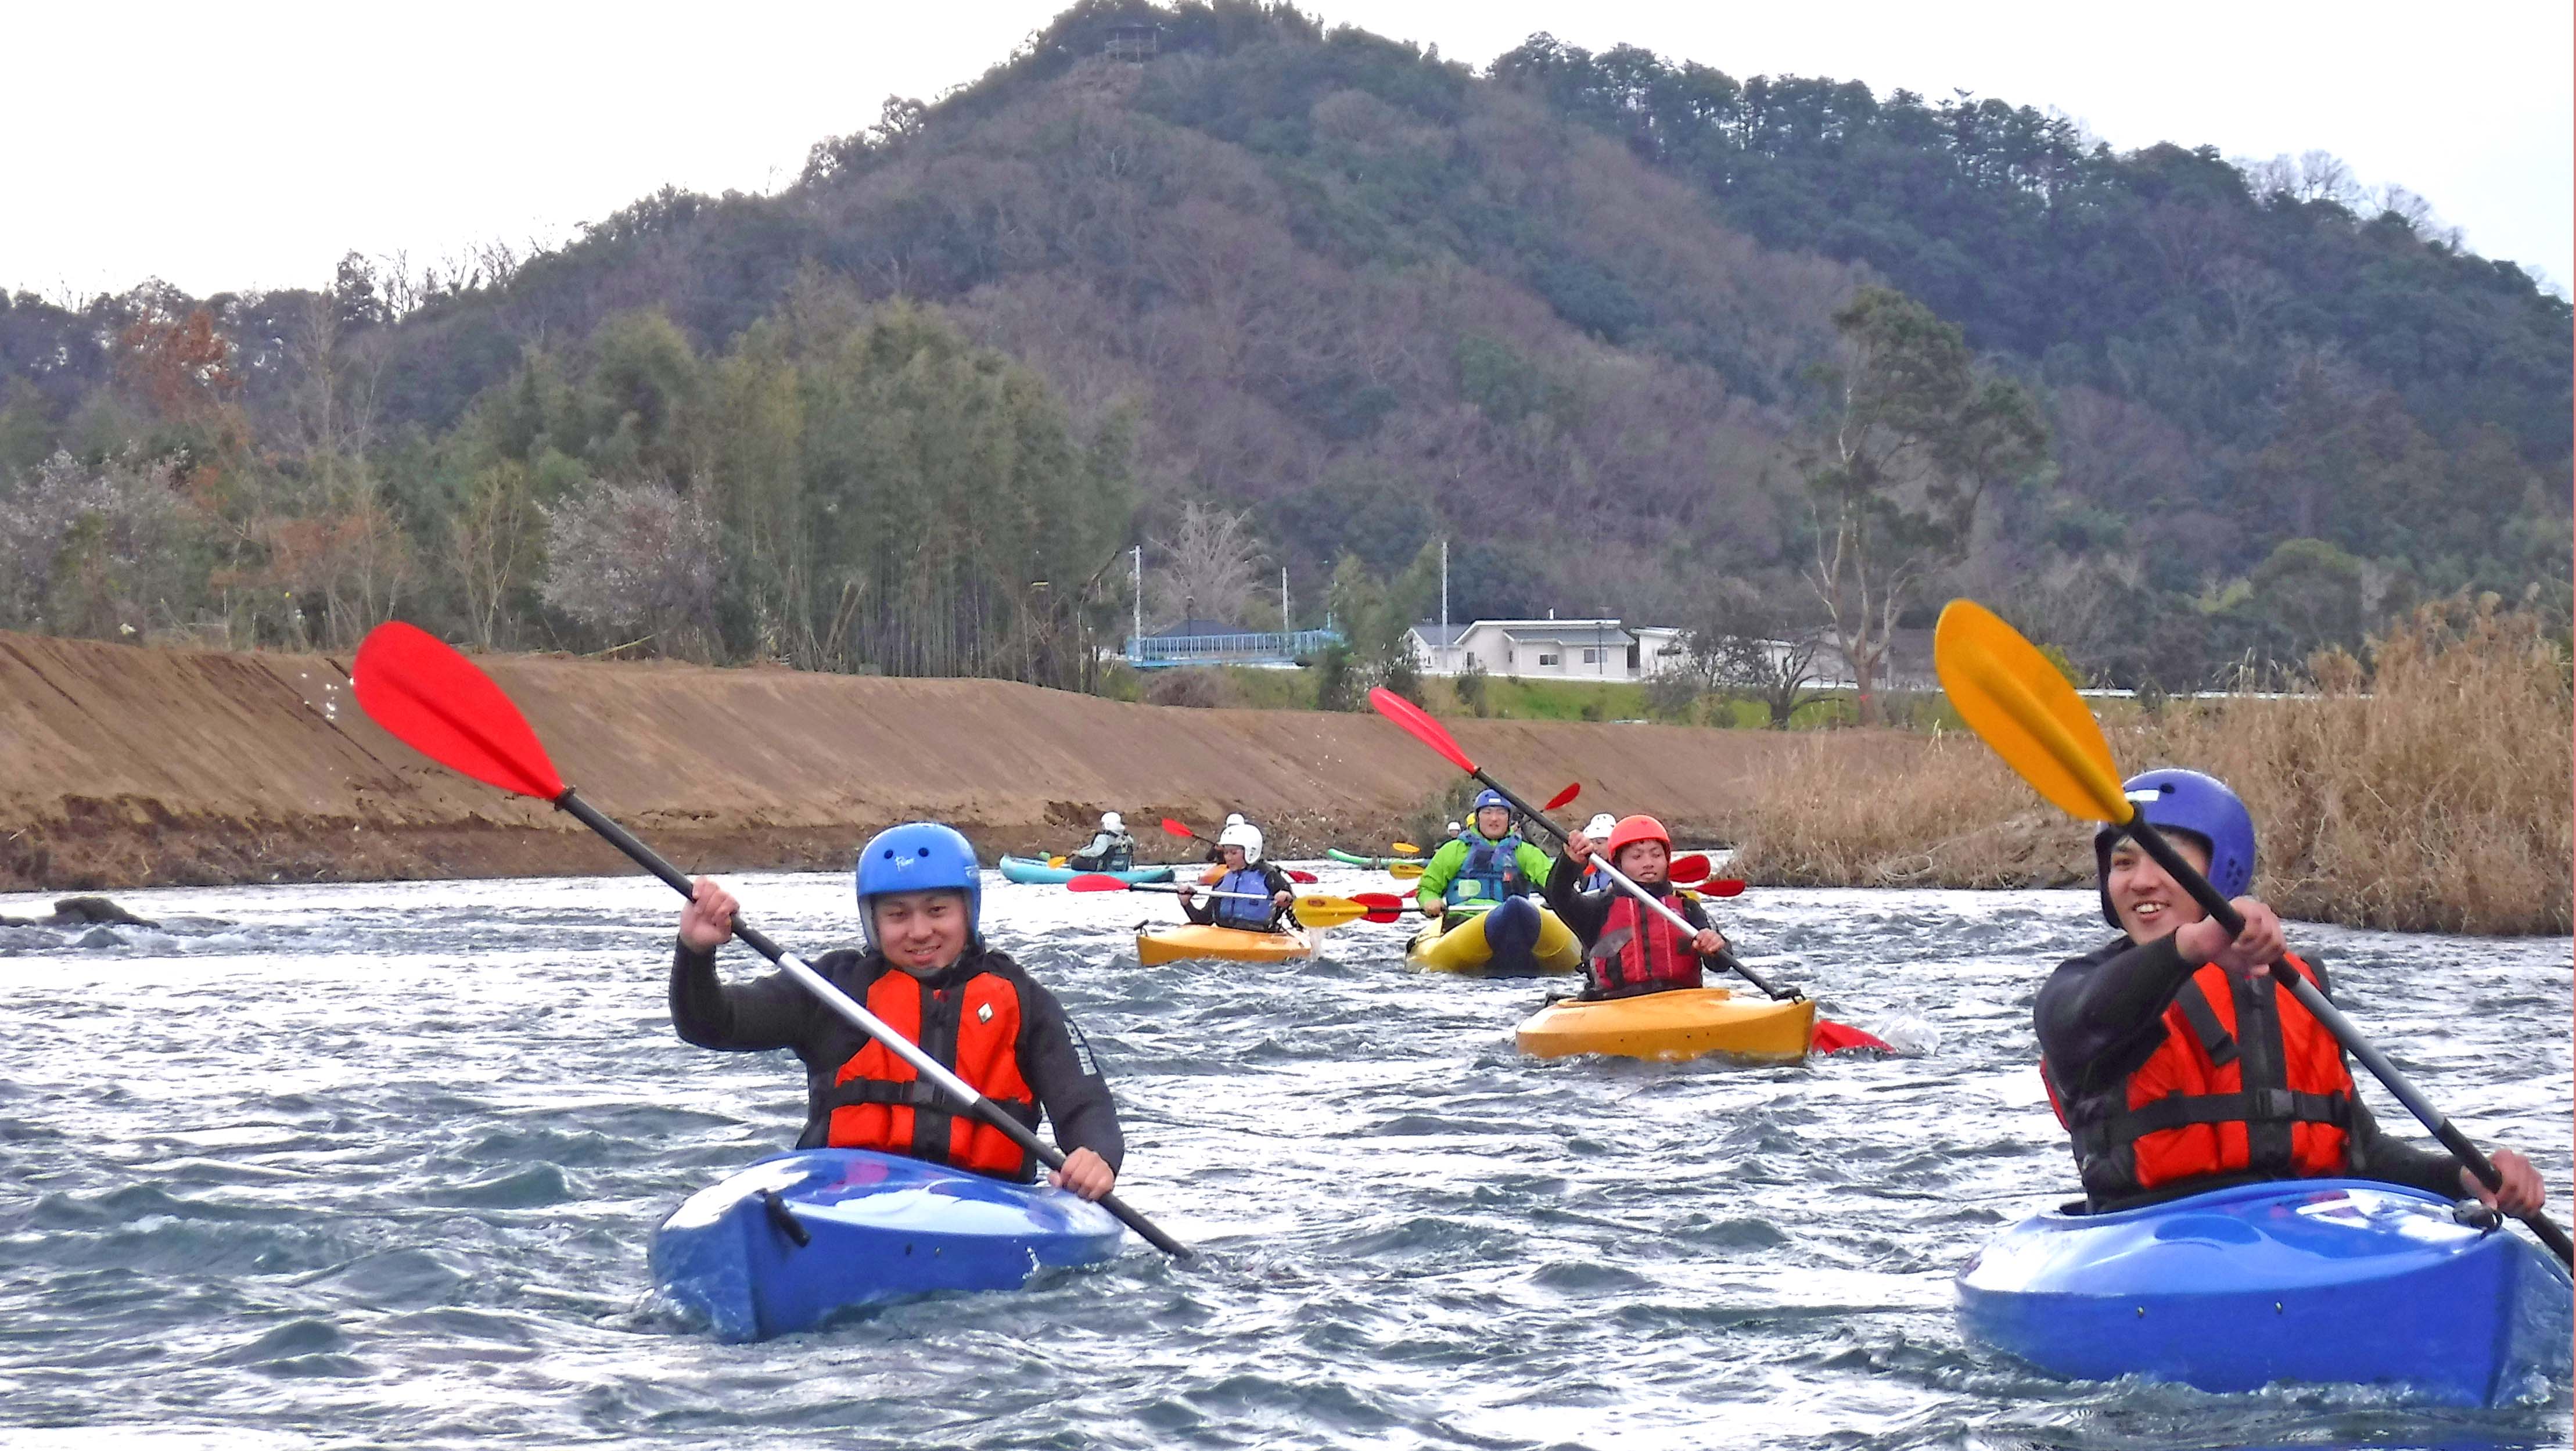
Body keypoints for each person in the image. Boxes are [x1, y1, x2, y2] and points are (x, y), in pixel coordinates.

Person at [2034, 768, 2545, 1216]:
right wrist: (2196, 943)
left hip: (2296, 1237)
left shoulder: (2295, 986)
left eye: (2164, 861)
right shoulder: (2081, 990)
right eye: (2123, 864)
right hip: (2145, 1240)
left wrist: (2463, 1177)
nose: (2141, 882)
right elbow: (2083, 1021)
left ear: (2220, 870)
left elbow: (2357, 1153)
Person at [670, 822, 1121, 1201]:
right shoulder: (834, 989)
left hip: (985, 1206)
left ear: (969, 912)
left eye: (937, 911)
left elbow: (1084, 1101)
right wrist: (694, 952)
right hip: (848, 1204)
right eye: (897, 915)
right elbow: (711, 1023)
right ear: (873, 921)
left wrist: (1094, 1157)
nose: (919, 931)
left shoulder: (1021, 1000)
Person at [1549, 814, 1729, 999]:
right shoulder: (1598, 910)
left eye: (1656, 854)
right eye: (1636, 856)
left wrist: (1715, 948)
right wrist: (1569, 862)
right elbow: (1558, 894)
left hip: (1680, 1005)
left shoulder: (1688, 908)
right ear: (1618, 864)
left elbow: (1722, 964)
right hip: (1613, 1008)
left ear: (1667, 861)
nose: (1648, 863)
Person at [1415, 789, 1555, 931]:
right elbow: (1427, 888)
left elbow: (1555, 885)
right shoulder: (1454, 850)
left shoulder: (1526, 853)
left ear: (1509, 818)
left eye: (1501, 813)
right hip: (1462, 923)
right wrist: (1430, 901)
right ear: (1478, 817)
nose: (1494, 818)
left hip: (1512, 924)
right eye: (1487, 812)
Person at [1177, 820, 1296, 932]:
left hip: (1263, 937)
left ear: (1251, 851)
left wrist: (1287, 899)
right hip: (1228, 937)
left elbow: (1296, 912)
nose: (1228, 858)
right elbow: (1204, 920)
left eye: (1234, 853)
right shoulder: (1222, 884)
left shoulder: (1270, 877)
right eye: (1226, 852)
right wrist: (1186, 903)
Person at [1066, 811, 1136, 872]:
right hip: (1121, 867)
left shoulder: (1103, 838)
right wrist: (1082, 850)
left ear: (1108, 825)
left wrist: (1081, 853)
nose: (1102, 826)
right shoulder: (1125, 837)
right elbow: (1131, 843)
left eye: (1103, 824)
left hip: (1102, 867)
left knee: (1076, 862)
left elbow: (1096, 852)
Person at [1578, 813, 1619, 891]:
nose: (1595, 848)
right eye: (1591, 843)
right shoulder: (1591, 874)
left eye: (1599, 843)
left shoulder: (1623, 873)